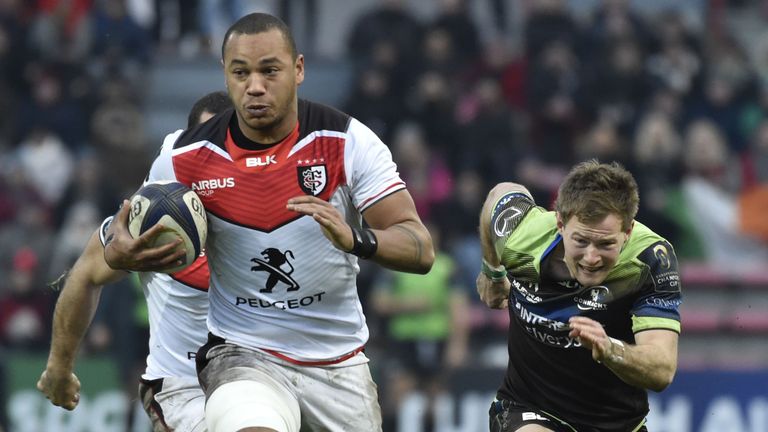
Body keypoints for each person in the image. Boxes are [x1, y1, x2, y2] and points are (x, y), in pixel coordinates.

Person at [102, 13, 434, 432]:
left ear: (298, 69)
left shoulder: (348, 142)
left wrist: (355, 238)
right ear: (225, 74)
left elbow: (420, 249)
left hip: (337, 363)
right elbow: (119, 237)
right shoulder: (183, 155)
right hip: (243, 355)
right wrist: (124, 251)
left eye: (269, 70)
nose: (254, 86)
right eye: (241, 72)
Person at [36, 90, 232, 432]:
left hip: (269, 379)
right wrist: (59, 368)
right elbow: (85, 274)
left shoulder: (277, 214)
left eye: (225, 144)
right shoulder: (150, 219)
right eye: (204, 143)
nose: (214, 155)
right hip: (183, 390)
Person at [477, 160, 681, 432]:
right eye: (581, 241)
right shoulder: (523, 237)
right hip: (527, 408)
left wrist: (609, 349)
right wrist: (492, 272)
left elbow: (662, 370)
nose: (591, 258)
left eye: (606, 244)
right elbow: (498, 195)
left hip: (618, 424)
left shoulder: (650, 261)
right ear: (560, 223)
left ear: (627, 231)